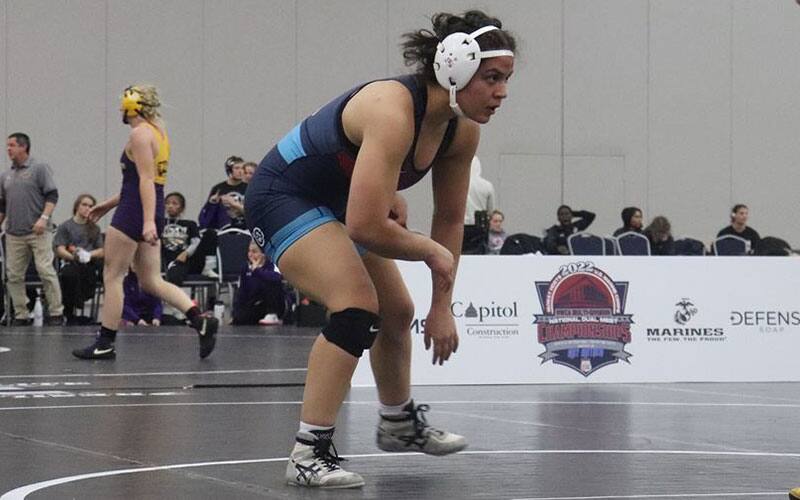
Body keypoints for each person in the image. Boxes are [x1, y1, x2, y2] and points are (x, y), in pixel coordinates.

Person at [245, 10, 515, 488]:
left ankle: (396, 423)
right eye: (492, 78)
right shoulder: (392, 110)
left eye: (506, 80)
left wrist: (441, 305)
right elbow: (368, 226)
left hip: (336, 200)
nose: (502, 93)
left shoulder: (461, 128)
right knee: (356, 306)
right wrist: (430, 254)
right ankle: (308, 452)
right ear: (454, 67)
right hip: (283, 195)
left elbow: (450, 220)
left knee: (397, 309)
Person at [73, 85, 218, 360]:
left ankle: (105, 342)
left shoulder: (139, 134)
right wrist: (108, 204)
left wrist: (148, 221)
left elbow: (145, 181)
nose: (119, 109)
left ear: (131, 106)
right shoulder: (158, 132)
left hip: (136, 211)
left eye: (122, 104)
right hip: (144, 205)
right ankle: (199, 319)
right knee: (150, 280)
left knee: (113, 276)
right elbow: (142, 182)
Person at [0, 132, 64, 325]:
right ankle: (21, 313)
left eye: (12, 145)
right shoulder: (6, 175)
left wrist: (44, 218)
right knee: (13, 275)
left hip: (38, 231)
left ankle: (56, 312)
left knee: (45, 270)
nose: (8, 149)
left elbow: (52, 195)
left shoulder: (39, 169)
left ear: (23, 147)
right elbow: (3, 205)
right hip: (14, 234)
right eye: (7, 145)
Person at [54, 194, 104, 324]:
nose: (87, 208)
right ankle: (70, 313)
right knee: (69, 274)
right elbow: (59, 248)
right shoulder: (65, 226)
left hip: (89, 263)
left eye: (91, 206)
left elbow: (102, 250)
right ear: (77, 206)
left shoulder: (95, 228)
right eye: (84, 205)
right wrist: (74, 257)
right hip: (71, 261)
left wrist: (88, 255)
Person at [231, 241, 287, 325]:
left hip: (272, 302)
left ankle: (272, 314)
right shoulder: (245, 268)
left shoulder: (272, 265)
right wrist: (236, 311)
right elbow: (242, 290)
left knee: (271, 283)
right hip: (255, 303)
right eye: (249, 251)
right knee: (240, 318)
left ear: (263, 254)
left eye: (254, 252)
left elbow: (277, 278)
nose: (250, 254)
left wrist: (257, 271)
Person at [161, 192, 205, 285]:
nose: (170, 206)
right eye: (167, 203)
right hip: (165, 259)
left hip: (183, 259)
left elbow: (196, 242)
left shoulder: (189, 224)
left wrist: (186, 253)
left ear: (181, 207)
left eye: (174, 203)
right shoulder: (160, 223)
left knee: (175, 274)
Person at [463, 155, 495, 224]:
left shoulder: (459, 183)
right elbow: (491, 210)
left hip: (464, 223)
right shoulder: (487, 185)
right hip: (481, 223)